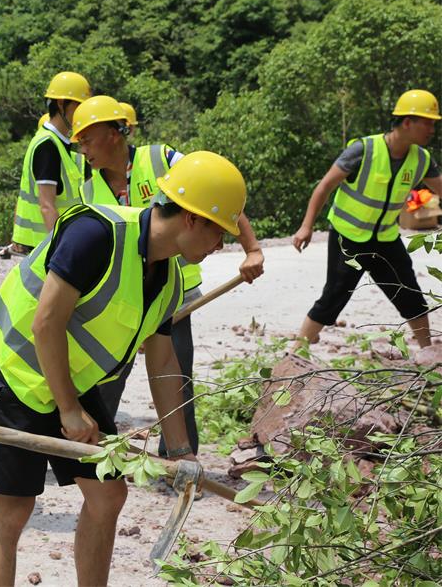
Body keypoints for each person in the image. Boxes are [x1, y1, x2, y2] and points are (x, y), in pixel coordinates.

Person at [0, 151, 249, 586]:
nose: (221, 246)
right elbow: (45, 323)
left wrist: (181, 452)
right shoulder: (96, 234)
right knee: (13, 510)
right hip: (19, 371)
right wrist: (67, 411)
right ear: (193, 219)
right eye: (220, 233)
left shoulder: (170, 277)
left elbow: (163, 362)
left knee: (107, 496)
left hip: (69, 381)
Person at [73, 95, 264, 457]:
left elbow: (215, 199)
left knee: (175, 373)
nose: (82, 148)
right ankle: (85, 448)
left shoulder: (160, 159)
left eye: (86, 138)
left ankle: (179, 457)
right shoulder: (88, 189)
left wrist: (251, 249)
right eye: (78, 141)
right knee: (106, 376)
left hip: (169, 294)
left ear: (115, 132)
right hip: (118, 302)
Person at [293, 88, 441, 348]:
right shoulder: (364, 150)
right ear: (407, 122)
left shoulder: (421, 159)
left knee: (409, 294)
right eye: (427, 123)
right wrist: (306, 227)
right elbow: (324, 187)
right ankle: (296, 353)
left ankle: (428, 353)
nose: (432, 129)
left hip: (385, 239)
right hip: (348, 237)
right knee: (334, 296)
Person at [11, 71, 92, 252]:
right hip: (42, 247)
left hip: (44, 245)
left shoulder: (59, 143)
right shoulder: (48, 145)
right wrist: (62, 250)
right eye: (79, 106)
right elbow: (47, 206)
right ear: (61, 104)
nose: (83, 112)